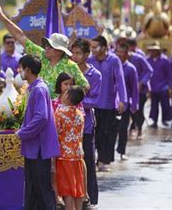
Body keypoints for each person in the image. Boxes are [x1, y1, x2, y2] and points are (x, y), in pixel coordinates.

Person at [0, 3, 89, 98]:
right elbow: (20, 36)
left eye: (51, 46)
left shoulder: (71, 66)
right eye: (47, 45)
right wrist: (1, 17)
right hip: (39, 105)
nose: (47, 48)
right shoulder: (41, 55)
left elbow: (85, 86)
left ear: (60, 51)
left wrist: (68, 100)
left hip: (59, 112)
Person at [15, 54, 60, 210]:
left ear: (28, 70)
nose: (20, 72)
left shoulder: (39, 89)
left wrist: (23, 132)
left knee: (42, 186)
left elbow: (41, 117)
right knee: (33, 185)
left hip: (39, 146)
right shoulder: (34, 88)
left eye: (21, 68)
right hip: (33, 147)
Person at [88, 35, 127, 172]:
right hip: (91, 103)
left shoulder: (114, 60)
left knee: (106, 133)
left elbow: (120, 80)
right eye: (91, 47)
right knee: (94, 133)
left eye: (95, 47)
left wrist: (123, 100)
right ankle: (94, 159)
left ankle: (103, 160)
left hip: (108, 103)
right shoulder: (89, 60)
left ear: (104, 48)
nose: (92, 49)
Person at [70, 38, 101, 207]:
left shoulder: (95, 75)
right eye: (73, 53)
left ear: (87, 55)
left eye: (78, 53)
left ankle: (91, 198)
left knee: (87, 161)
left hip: (86, 124)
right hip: (67, 125)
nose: (74, 57)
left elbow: (94, 101)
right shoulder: (68, 70)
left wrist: (74, 101)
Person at [54, 85, 86, 210]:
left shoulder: (59, 113)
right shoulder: (80, 114)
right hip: (77, 155)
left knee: (68, 190)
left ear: (67, 96)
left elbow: (55, 133)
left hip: (64, 156)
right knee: (78, 189)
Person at [115, 43, 139, 160]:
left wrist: (135, 104)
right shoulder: (112, 65)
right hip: (112, 103)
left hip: (125, 104)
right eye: (117, 52)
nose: (119, 54)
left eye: (122, 52)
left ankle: (122, 151)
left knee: (123, 128)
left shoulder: (131, 69)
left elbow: (135, 88)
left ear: (126, 54)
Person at [126, 41, 153, 138]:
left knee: (139, 110)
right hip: (128, 91)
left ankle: (140, 130)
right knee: (129, 110)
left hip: (141, 91)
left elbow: (149, 71)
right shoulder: (119, 60)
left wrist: (142, 82)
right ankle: (132, 127)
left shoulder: (139, 58)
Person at [147, 42, 172, 128]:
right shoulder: (148, 60)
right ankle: (154, 120)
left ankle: (165, 119)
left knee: (165, 104)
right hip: (152, 86)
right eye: (152, 50)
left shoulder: (164, 60)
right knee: (154, 105)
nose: (153, 52)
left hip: (163, 86)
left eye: (155, 50)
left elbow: (169, 74)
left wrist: (170, 86)